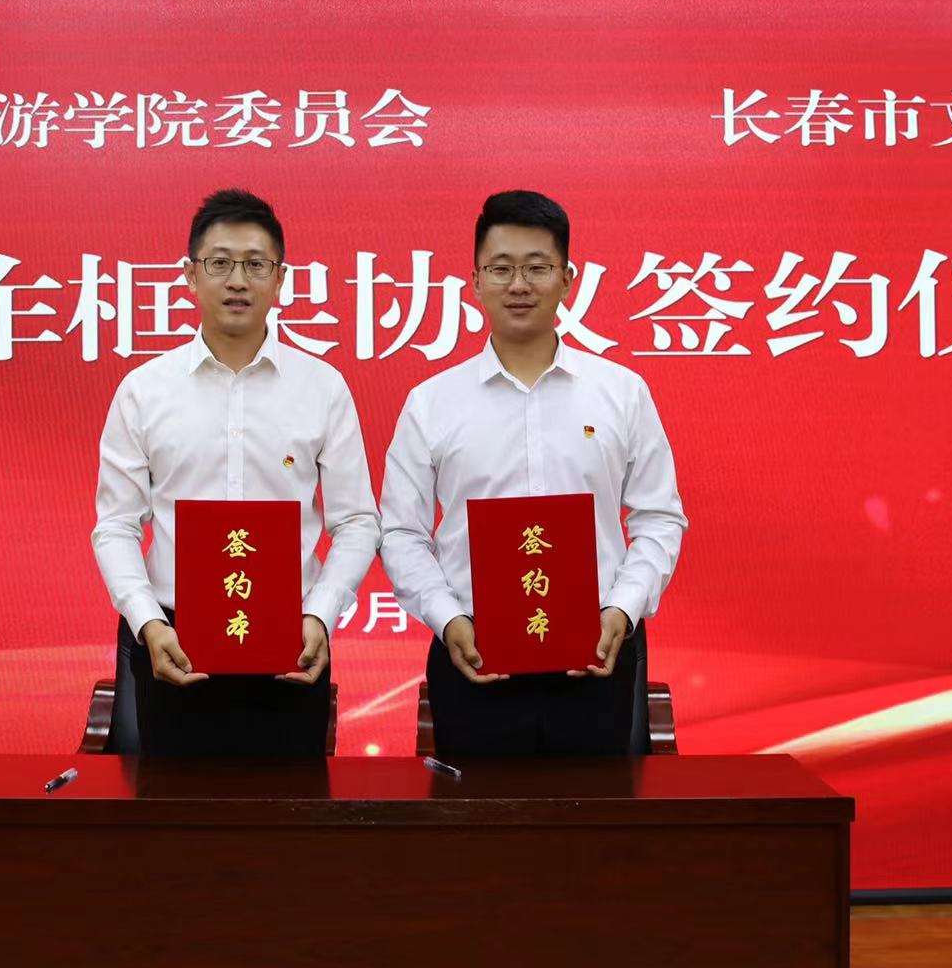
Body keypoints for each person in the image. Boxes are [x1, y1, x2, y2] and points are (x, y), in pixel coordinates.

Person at [380, 190, 687, 755]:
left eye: (537, 268)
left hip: (597, 660)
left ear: (566, 279)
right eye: (501, 269)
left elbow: (659, 517)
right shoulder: (431, 402)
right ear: (475, 281)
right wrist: (449, 619)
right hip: (472, 658)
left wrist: (623, 607)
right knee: (473, 813)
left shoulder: (621, 392)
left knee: (600, 811)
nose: (518, 285)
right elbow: (401, 531)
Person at [91, 188, 380, 754]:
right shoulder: (144, 391)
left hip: (290, 644)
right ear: (190, 276)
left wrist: (321, 615)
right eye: (220, 263)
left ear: (280, 279)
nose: (238, 281)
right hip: (173, 642)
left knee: (291, 806)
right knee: (170, 805)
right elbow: (116, 525)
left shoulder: (322, 387)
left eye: (255, 265)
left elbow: (357, 522)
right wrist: (148, 623)